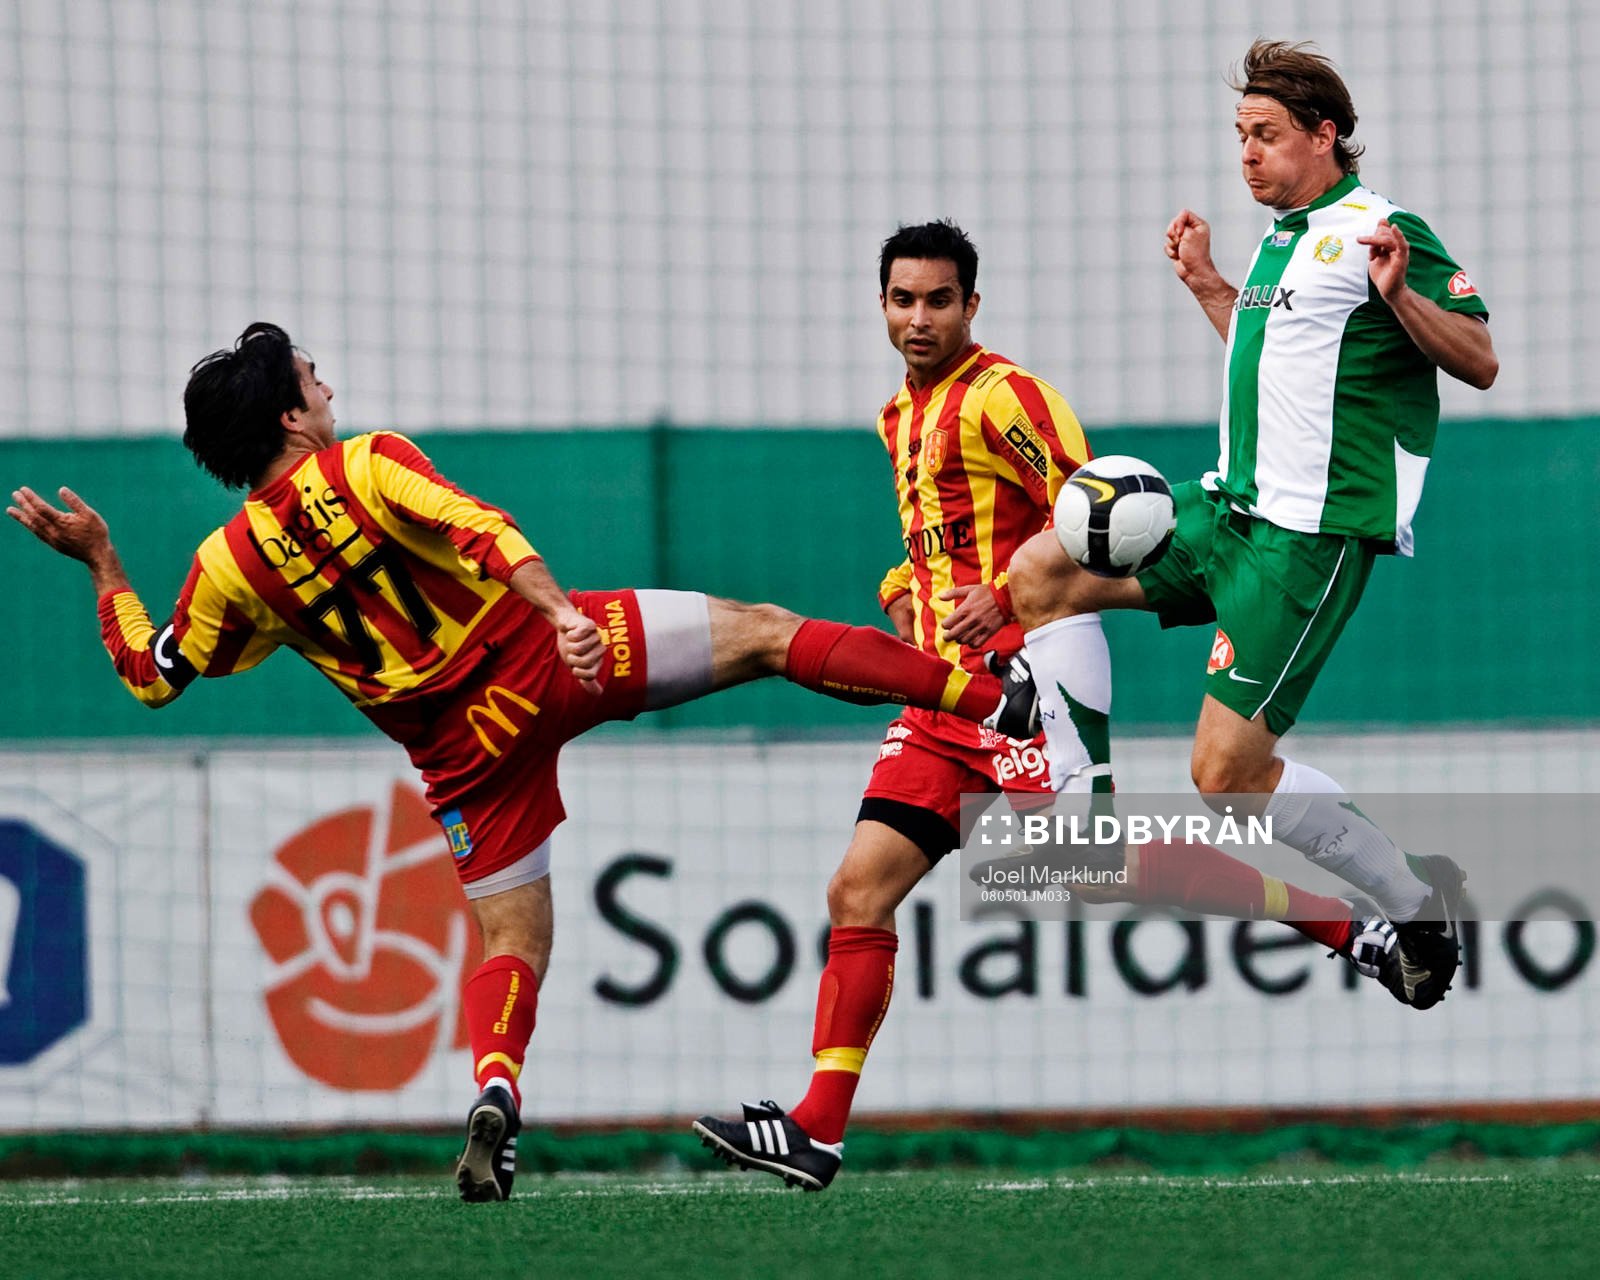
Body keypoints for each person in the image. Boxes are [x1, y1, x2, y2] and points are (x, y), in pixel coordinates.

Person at [6, 322, 1040, 1203]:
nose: (327, 389)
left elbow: (153, 673)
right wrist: (555, 612)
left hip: (459, 758)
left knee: (514, 938)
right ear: (288, 415)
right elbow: (483, 529)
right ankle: (999, 699)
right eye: (313, 379)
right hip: (544, 657)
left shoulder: (226, 566)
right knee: (774, 641)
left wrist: (104, 562)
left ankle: (498, 1081)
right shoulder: (365, 462)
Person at [690, 220, 1386, 1193]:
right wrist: (903, 591)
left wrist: (1006, 598)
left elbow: (1098, 520)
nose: (919, 317)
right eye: (902, 299)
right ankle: (816, 1127)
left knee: (1097, 872)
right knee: (857, 890)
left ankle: (1345, 925)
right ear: (881, 304)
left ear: (972, 305)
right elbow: (928, 547)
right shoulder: (896, 416)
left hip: (1031, 675)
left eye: (939, 300)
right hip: (940, 693)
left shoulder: (1007, 398)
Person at [1002, 40, 1498, 1012]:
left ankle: (1411, 894)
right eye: (1239, 138)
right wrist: (1204, 283)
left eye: (1265, 137)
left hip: (1304, 541)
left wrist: (1399, 297)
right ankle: (1083, 816)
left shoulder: (1383, 228)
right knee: (1039, 573)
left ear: (1325, 136)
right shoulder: (1282, 240)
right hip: (1223, 509)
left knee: (1222, 777)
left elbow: (1479, 357)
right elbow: (1278, 360)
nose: (1246, 157)